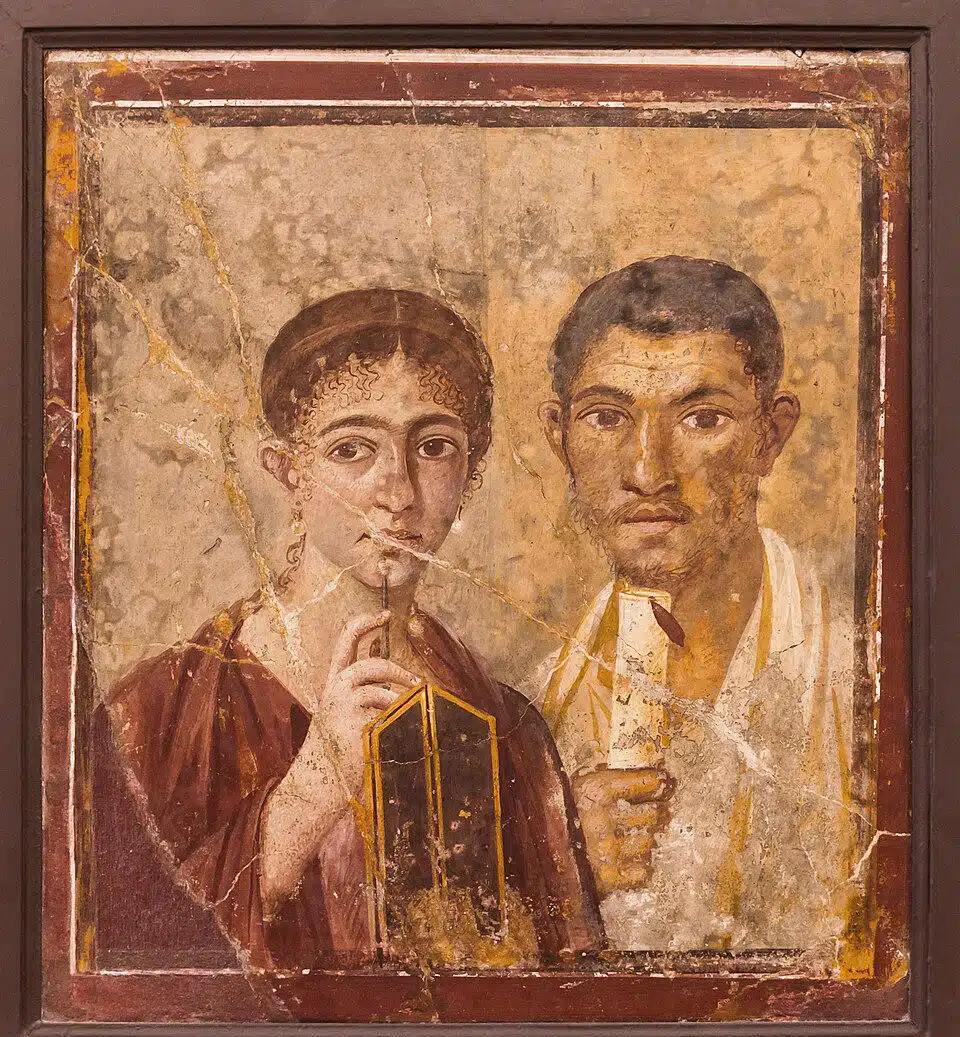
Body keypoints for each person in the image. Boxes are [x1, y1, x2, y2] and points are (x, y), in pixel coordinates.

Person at [95, 288, 603, 977]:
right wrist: (309, 791)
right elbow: (111, 966)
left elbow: (566, 985)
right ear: (287, 468)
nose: (396, 490)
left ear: (471, 473)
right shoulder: (156, 716)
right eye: (352, 449)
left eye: (432, 446)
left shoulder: (510, 728)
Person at [537, 257, 859, 965]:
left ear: (771, 435)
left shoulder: (862, 676)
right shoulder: (533, 706)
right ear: (559, 433)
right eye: (607, 417)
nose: (649, 470)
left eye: (702, 417)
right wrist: (550, 856)